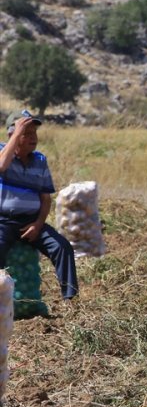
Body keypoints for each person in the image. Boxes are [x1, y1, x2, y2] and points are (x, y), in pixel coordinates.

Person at [0, 111, 78, 300]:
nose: (33, 138)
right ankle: (3, 301)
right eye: (27, 133)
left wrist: (38, 224)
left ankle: (71, 300)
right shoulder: (2, 152)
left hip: (31, 221)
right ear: (12, 135)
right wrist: (17, 133)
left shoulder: (40, 160)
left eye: (34, 132)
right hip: (3, 221)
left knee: (62, 247)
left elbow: (46, 199)